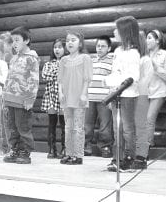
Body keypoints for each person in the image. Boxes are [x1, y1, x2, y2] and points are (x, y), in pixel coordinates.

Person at [105, 16, 141, 171]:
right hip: (115, 95)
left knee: (127, 128)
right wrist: (110, 86)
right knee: (116, 128)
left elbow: (133, 77)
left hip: (127, 95)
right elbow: (115, 72)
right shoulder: (118, 51)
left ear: (125, 32)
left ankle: (129, 158)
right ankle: (117, 158)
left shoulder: (133, 53)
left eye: (117, 29)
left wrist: (114, 82)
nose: (114, 31)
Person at [3, 26, 40, 164]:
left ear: (27, 40)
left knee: (22, 126)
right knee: (11, 126)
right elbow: (9, 78)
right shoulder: (13, 59)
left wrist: (30, 98)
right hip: (10, 99)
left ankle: (25, 151)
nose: (14, 44)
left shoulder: (32, 58)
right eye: (13, 41)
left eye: (17, 40)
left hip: (22, 100)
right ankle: (15, 149)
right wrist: (5, 96)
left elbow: (34, 80)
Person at [132, 29, 166, 169]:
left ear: (158, 40)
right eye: (146, 38)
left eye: (149, 38)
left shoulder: (165, 55)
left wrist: (156, 66)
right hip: (143, 92)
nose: (146, 41)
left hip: (159, 92)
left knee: (148, 119)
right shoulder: (142, 56)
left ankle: (143, 152)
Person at [58, 31, 93, 165]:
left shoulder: (85, 58)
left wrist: (84, 94)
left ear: (80, 43)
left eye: (73, 40)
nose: (70, 43)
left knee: (78, 128)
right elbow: (60, 79)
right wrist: (60, 93)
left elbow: (87, 78)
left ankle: (78, 155)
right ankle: (69, 153)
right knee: (68, 127)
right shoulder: (63, 60)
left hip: (79, 98)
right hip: (67, 98)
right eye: (67, 41)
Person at [84, 36, 114, 158]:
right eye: (98, 46)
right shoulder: (91, 60)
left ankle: (105, 147)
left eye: (103, 46)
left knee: (105, 126)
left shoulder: (112, 61)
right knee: (87, 125)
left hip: (104, 99)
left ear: (109, 48)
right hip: (89, 97)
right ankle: (86, 146)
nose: (100, 48)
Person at [41, 38, 66, 159]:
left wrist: (56, 71)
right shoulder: (48, 63)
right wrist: (58, 70)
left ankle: (65, 148)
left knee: (64, 123)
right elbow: (45, 75)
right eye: (55, 47)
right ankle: (51, 148)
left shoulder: (68, 62)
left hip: (64, 95)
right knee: (51, 123)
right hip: (51, 96)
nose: (57, 49)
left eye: (60, 47)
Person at [0, 31, 13, 154]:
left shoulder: (12, 58)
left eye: (4, 44)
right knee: (0, 118)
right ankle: (2, 145)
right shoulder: (1, 58)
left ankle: (9, 146)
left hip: (9, 92)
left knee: (8, 119)